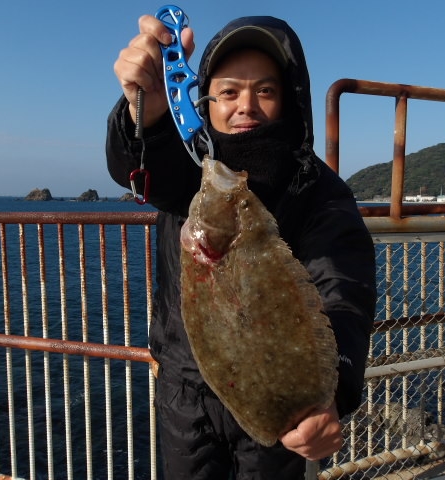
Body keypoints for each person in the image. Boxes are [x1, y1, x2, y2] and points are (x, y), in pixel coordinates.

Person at [106, 11, 377, 480]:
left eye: (265, 91)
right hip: (184, 395)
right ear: (204, 103)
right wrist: (143, 114)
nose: (245, 105)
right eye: (228, 92)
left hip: (277, 397)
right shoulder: (190, 171)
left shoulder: (317, 190)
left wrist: (331, 394)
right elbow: (145, 167)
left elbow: (342, 290)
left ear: (289, 99)